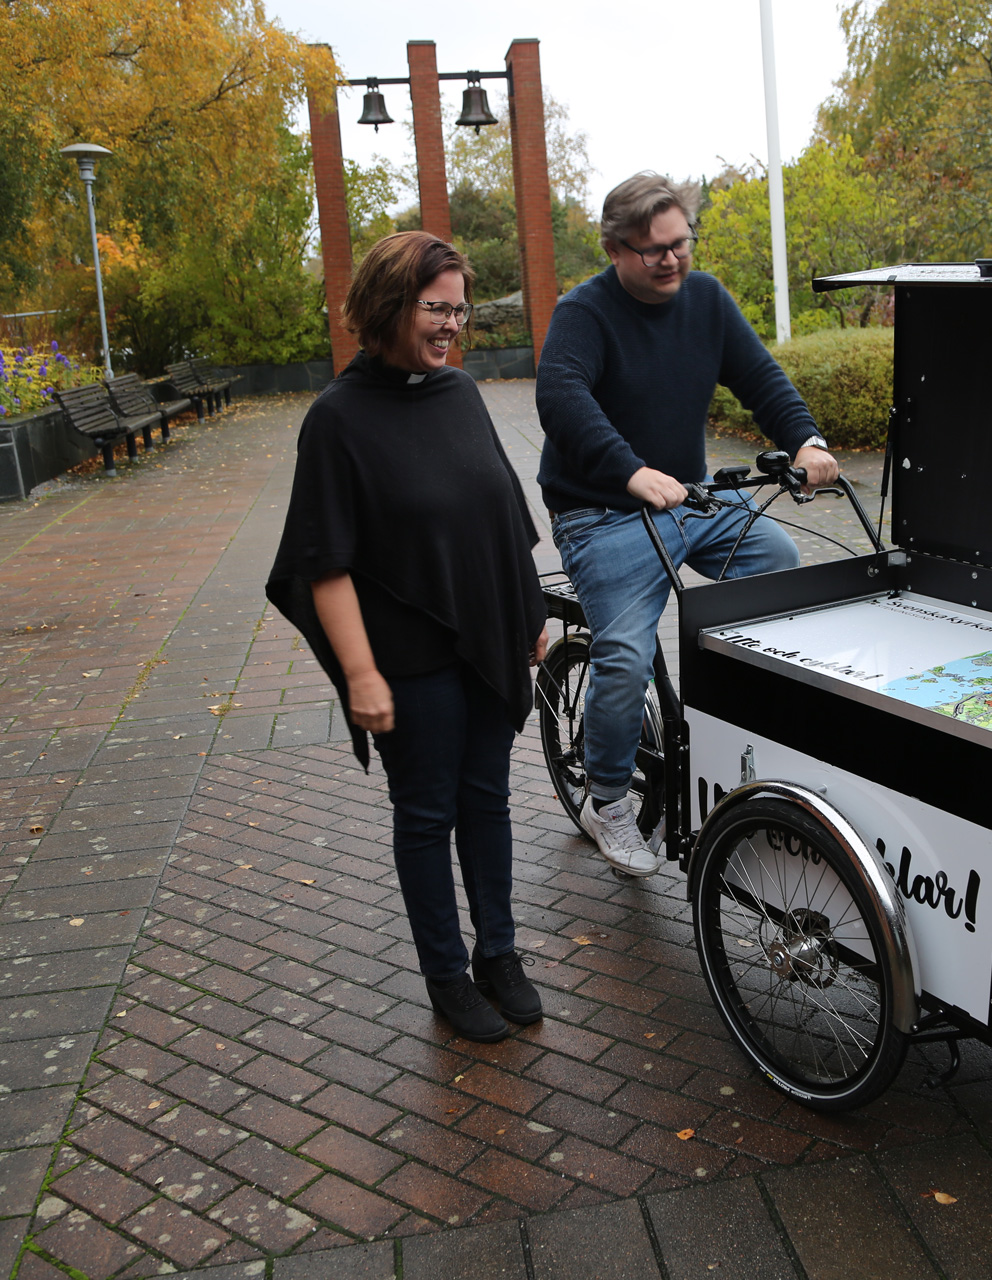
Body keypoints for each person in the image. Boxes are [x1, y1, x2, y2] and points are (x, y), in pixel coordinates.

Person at [265, 231, 548, 1045]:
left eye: (461, 310)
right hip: (407, 659)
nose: (453, 325)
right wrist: (360, 674)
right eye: (437, 308)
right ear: (390, 305)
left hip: (484, 639)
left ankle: (499, 954)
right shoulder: (336, 420)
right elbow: (323, 563)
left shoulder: (459, 394)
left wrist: (528, 609)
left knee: (487, 800)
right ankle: (446, 974)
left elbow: (503, 513)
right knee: (426, 814)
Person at [536, 173, 840, 878]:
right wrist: (628, 471)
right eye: (654, 250)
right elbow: (561, 395)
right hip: (601, 512)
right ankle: (608, 801)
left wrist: (806, 441)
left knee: (777, 561)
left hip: (689, 502)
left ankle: (725, 719)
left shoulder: (705, 299)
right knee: (623, 655)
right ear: (615, 249)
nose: (672, 259)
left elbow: (760, 378)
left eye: (681, 243)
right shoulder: (584, 312)